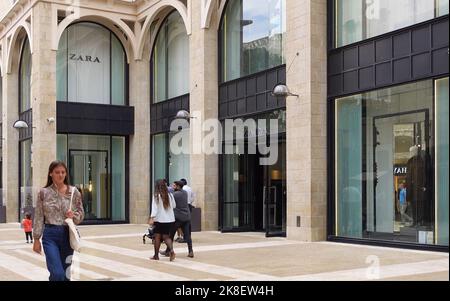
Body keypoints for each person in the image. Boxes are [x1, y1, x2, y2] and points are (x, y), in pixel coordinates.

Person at [33, 161, 84, 281]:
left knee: (65, 274)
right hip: (50, 235)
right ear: (51, 174)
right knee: (57, 274)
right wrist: (36, 239)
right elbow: (39, 217)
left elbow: (81, 214)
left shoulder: (74, 192)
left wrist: (74, 215)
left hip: (67, 234)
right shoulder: (43, 193)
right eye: (57, 172)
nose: (60, 175)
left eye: (63, 172)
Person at [162, 181, 194, 258]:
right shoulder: (185, 193)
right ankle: (190, 251)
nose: (172, 187)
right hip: (186, 217)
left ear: (178, 186)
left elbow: (168, 201)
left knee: (171, 235)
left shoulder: (175, 194)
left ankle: (168, 251)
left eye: (174, 185)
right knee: (187, 235)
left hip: (177, 218)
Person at [149, 179, 176, 261]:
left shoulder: (156, 196)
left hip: (160, 220)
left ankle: (156, 256)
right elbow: (174, 206)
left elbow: (155, 209)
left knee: (157, 236)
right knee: (166, 236)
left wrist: (151, 218)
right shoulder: (170, 195)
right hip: (169, 220)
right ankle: (171, 250)